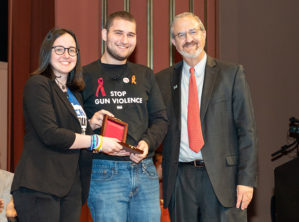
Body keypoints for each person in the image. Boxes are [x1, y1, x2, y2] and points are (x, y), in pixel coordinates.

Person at [11, 28, 125, 222]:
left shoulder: (75, 93)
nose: (67, 55)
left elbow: (69, 130)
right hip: (41, 185)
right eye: (60, 49)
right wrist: (97, 141)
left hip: (70, 187)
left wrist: (90, 123)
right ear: (48, 52)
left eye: (72, 50)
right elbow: (50, 134)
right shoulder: (38, 84)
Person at [156, 12, 257, 222]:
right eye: (181, 35)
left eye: (193, 32)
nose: (188, 39)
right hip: (180, 180)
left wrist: (246, 180)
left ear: (204, 34)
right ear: (174, 42)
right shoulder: (162, 79)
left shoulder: (231, 74)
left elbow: (246, 131)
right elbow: (155, 125)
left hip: (223, 180)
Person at [82, 11, 168, 222]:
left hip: (145, 169)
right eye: (118, 33)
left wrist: (147, 143)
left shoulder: (146, 74)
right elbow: (71, 125)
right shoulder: (84, 75)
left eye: (131, 35)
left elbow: (160, 119)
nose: (124, 40)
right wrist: (91, 124)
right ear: (104, 34)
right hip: (103, 172)